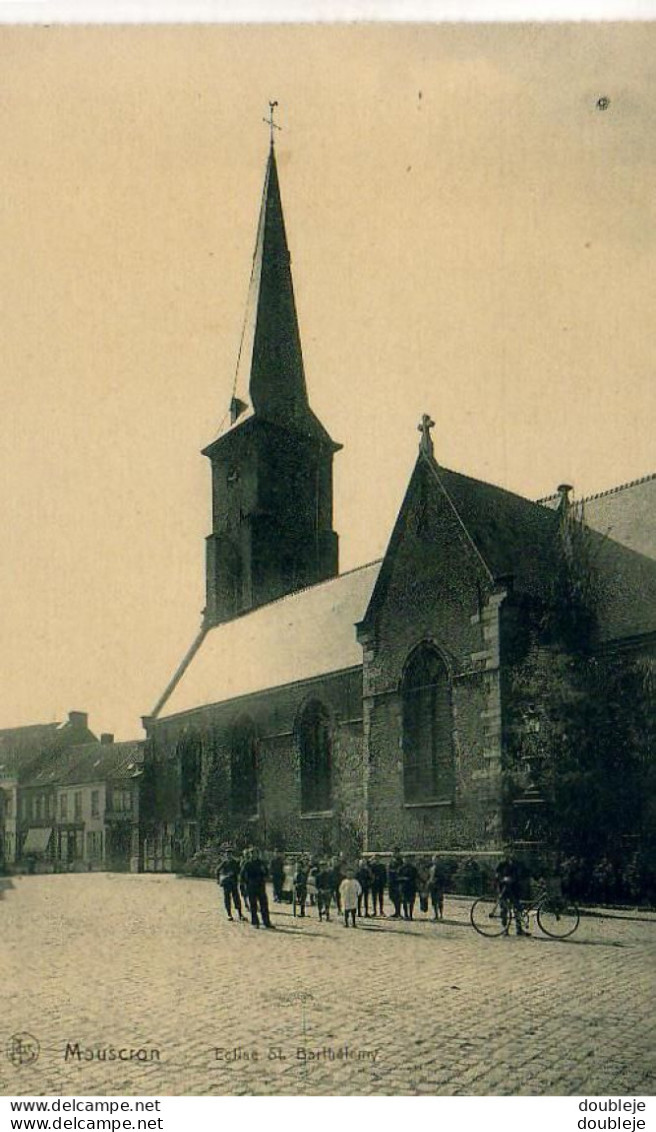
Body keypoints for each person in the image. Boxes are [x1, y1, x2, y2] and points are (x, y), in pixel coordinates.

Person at [495, 847, 528, 936]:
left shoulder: (518, 864)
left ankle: (519, 929)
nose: (510, 854)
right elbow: (497, 875)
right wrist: (503, 879)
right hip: (504, 889)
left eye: (511, 852)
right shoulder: (502, 864)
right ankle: (505, 929)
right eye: (507, 852)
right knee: (504, 910)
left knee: (517, 908)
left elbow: (524, 873)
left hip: (514, 889)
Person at [240, 847, 275, 929]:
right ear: (250, 854)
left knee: (264, 905)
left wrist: (265, 871)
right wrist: (244, 885)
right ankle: (255, 922)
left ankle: (267, 922)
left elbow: (267, 873)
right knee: (253, 905)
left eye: (255, 853)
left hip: (260, 886)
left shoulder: (261, 863)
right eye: (252, 853)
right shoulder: (247, 864)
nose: (253, 855)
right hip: (251, 886)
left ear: (258, 854)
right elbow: (242, 876)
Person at [215, 846, 246, 922]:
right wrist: (218, 879)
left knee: (237, 899)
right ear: (225, 855)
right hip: (226, 884)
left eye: (230, 854)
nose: (229, 855)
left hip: (234, 883)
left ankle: (240, 914)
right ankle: (229, 914)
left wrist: (241, 879)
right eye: (227, 854)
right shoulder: (224, 863)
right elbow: (217, 870)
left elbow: (240, 871)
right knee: (227, 899)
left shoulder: (235, 862)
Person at [428, 855, 447, 920]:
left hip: (439, 886)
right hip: (433, 886)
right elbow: (430, 877)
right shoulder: (431, 868)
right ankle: (436, 915)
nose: (434, 861)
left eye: (436, 859)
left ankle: (441, 914)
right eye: (433, 859)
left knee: (440, 901)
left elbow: (443, 877)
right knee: (434, 901)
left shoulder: (441, 868)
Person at [399, 856, 419, 920]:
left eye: (408, 859)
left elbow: (416, 877)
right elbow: (397, 877)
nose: (406, 861)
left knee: (411, 902)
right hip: (404, 886)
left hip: (412, 886)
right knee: (404, 901)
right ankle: (406, 915)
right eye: (405, 859)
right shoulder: (401, 868)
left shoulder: (413, 868)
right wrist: (403, 878)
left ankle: (410, 915)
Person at [387, 848, 404, 918]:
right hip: (391, 880)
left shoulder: (400, 861)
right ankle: (396, 911)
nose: (394, 853)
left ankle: (399, 912)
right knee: (392, 897)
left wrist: (392, 870)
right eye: (393, 852)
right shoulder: (392, 860)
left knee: (397, 897)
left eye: (395, 852)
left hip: (397, 881)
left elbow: (399, 870)